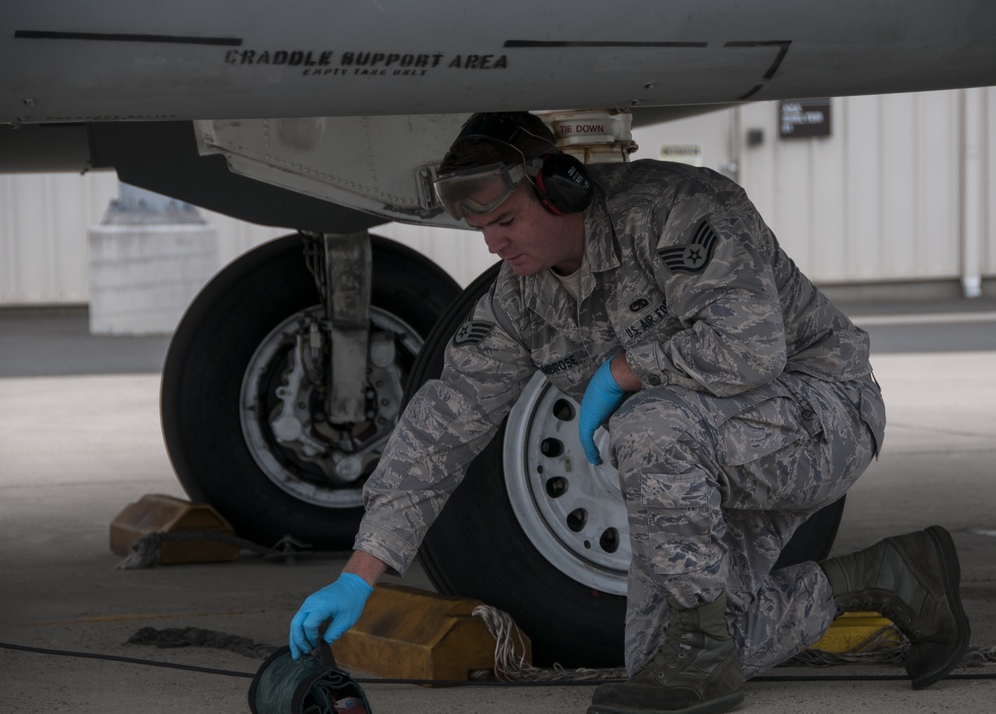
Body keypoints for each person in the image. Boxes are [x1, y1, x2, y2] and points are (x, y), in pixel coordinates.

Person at [289, 112, 970, 714]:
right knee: (655, 665)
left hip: (821, 413)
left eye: (504, 221)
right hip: (705, 455)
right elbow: (439, 434)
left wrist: (623, 372)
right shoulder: (519, 301)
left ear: (559, 189)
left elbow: (750, 347)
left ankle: (705, 655)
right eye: (480, 229)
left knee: (647, 425)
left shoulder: (674, 209)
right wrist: (361, 575)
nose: (493, 245)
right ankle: (888, 576)